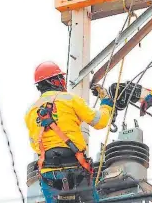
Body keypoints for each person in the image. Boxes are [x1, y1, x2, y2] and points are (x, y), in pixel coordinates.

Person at [24, 61, 115, 203]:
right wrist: (106, 104)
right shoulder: (69, 99)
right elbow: (100, 122)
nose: (63, 82)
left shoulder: (30, 112)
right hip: (75, 168)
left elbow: (34, 144)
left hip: (49, 174)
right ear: (54, 81)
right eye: (61, 78)